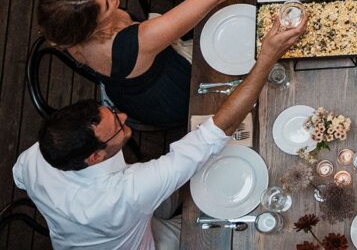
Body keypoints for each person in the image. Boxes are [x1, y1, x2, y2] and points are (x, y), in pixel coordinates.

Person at [13, 13, 306, 250]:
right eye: (117, 124)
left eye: (111, 110)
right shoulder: (126, 193)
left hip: (106, 226)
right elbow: (220, 128)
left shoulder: (38, 155)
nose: (125, 115)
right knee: (220, 228)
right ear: (95, 156)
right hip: (137, 241)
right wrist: (267, 56)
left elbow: (20, 178)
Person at [36, 0, 305, 128]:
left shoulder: (68, 32)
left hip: (134, 77)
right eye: (106, 4)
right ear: (91, 29)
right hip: (172, 92)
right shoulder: (140, 41)